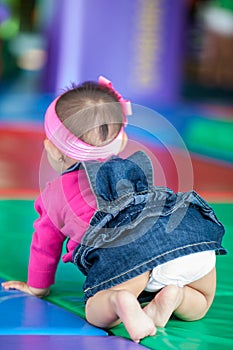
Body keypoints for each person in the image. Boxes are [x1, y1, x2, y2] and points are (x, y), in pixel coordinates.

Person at [1, 76, 227, 343]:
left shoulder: (54, 194)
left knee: (97, 310)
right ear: (121, 142)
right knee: (201, 302)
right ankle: (175, 296)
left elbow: (45, 244)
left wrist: (37, 287)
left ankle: (121, 300)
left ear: (52, 147)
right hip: (185, 235)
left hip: (131, 256)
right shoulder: (132, 169)